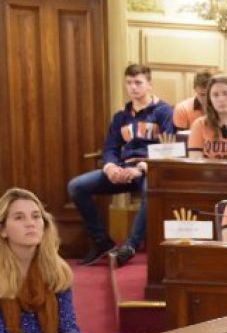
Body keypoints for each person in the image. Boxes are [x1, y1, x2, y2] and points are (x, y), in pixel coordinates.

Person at [68, 63, 174, 267]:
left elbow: (169, 147)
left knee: (152, 191)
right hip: (123, 170)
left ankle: (130, 246)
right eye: (129, 83)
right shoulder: (121, 117)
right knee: (76, 186)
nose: (133, 87)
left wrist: (141, 167)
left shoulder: (164, 112)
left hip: (149, 170)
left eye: (138, 82)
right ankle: (102, 242)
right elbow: (110, 148)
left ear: (149, 84)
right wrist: (111, 168)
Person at [0, 189, 83, 333]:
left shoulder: (57, 270)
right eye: (19, 217)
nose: (30, 223)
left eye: (36, 216)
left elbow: (70, 326)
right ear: (3, 230)